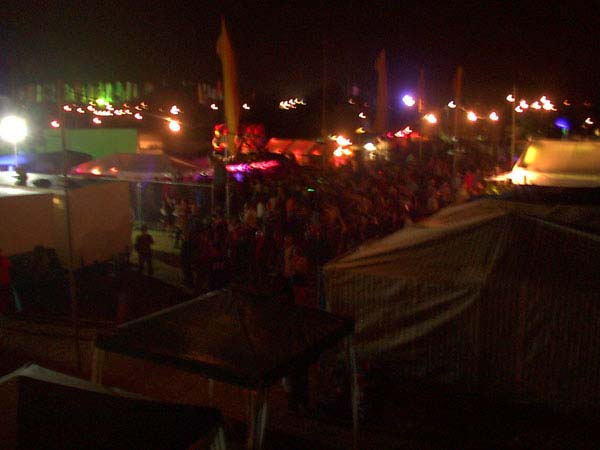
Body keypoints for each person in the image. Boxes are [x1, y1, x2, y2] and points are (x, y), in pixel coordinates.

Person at [0, 248, 12, 318]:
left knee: (4, 296)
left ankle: (4, 310)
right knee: (4, 296)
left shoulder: (4, 260)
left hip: (4, 281)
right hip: (5, 281)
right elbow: (10, 268)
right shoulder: (5, 260)